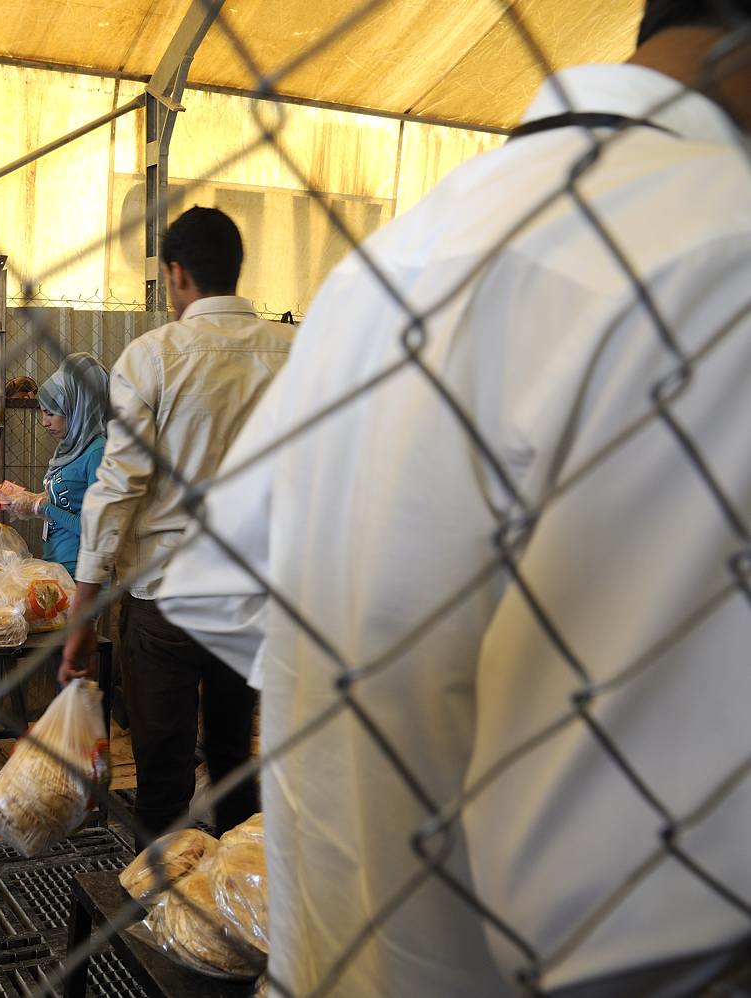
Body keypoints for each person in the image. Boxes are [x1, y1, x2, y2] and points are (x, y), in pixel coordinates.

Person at [157, 3, 751, 994]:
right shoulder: (721, 242)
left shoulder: (395, 256)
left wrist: (392, 728)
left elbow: (227, 584)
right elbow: (655, 878)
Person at [58, 207, 292, 844]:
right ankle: (237, 905)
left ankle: (160, 914)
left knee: (162, 768)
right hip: (253, 591)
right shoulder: (294, 352)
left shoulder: (153, 356)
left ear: (176, 273)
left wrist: (84, 614)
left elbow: (119, 486)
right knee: (232, 756)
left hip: (166, 598)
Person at [0, 353, 109, 578]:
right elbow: (69, 503)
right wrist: (25, 500)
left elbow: (98, 529)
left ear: (76, 409)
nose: (44, 422)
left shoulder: (97, 452)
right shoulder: (69, 449)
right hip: (59, 568)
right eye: (42, 412)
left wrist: (41, 507)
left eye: (51, 413)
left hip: (84, 576)